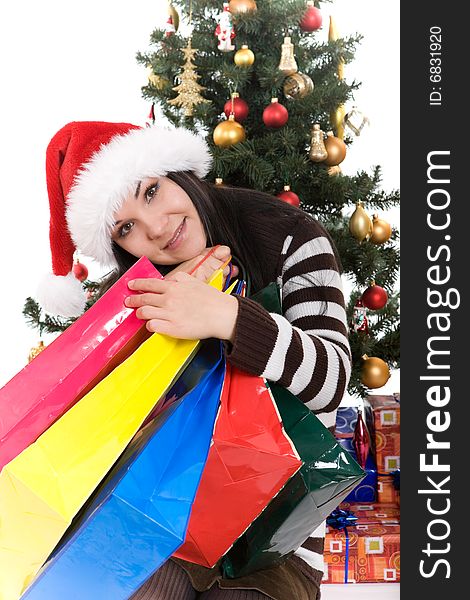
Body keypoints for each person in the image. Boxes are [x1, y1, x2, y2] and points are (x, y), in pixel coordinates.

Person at [38, 121, 352, 600]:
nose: (157, 227)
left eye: (150, 191)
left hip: (271, 538)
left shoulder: (289, 236)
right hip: (158, 519)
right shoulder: (135, 294)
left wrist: (227, 317)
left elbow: (330, 380)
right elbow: (93, 430)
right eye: (126, 228)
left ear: (176, 170)